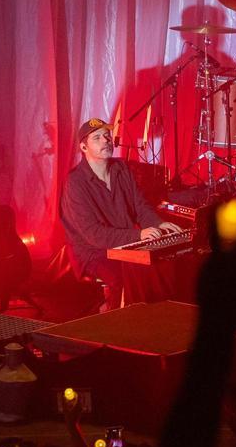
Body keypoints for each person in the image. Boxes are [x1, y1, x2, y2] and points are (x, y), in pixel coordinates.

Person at [59, 119, 183, 308]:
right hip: (93, 253)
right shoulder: (75, 183)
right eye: (97, 138)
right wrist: (139, 234)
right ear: (84, 147)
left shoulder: (121, 169)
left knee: (163, 267)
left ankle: (158, 321)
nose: (106, 141)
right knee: (128, 277)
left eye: (107, 136)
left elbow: (140, 206)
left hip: (126, 246)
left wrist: (158, 224)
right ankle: (119, 323)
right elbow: (93, 234)